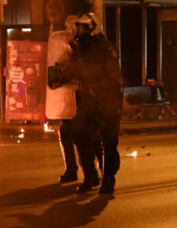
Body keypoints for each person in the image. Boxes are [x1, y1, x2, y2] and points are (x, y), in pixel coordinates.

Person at [53, 12, 122, 195]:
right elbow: (74, 69)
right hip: (90, 102)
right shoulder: (81, 49)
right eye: (77, 27)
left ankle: (108, 180)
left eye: (82, 27)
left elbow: (112, 76)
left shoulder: (105, 49)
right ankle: (90, 176)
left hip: (108, 101)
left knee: (109, 142)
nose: (78, 31)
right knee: (78, 132)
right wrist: (59, 78)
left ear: (92, 29)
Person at [46, 16, 80, 183]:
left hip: (84, 101)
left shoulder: (85, 48)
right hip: (70, 100)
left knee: (82, 137)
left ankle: (83, 173)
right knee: (68, 133)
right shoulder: (72, 46)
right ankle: (78, 171)